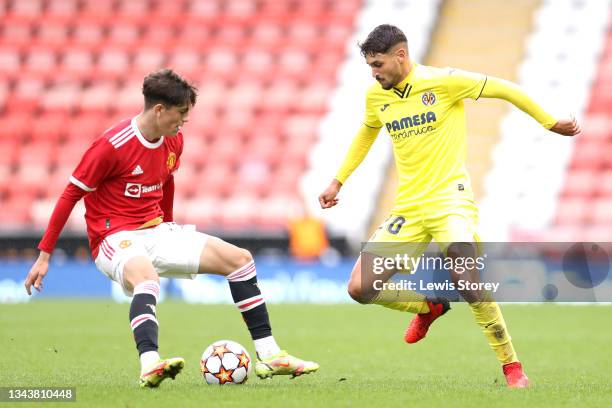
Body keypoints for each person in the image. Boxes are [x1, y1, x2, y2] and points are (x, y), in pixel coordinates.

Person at [318, 24, 580, 388]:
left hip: (450, 200)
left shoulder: (444, 82)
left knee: (466, 278)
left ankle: (512, 368)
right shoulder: (376, 96)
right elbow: (367, 131)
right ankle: (429, 306)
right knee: (360, 288)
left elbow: (504, 88)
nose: (374, 73)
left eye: (378, 64)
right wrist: (338, 180)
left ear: (401, 56)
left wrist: (548, 121)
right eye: (369, 67)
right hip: (408, 207)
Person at [24, 69, 319, 388]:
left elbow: (167, 181)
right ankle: (150, 363)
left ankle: (270, 354)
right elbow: (71, 193)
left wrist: (167, 222)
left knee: (241, 261)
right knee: (148, 279)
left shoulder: (174, 139)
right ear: (159, 109)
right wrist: (44, 255)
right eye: (180, 115)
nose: (183, 123)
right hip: (114, 236)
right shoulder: (111, 145)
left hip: (157, 231)